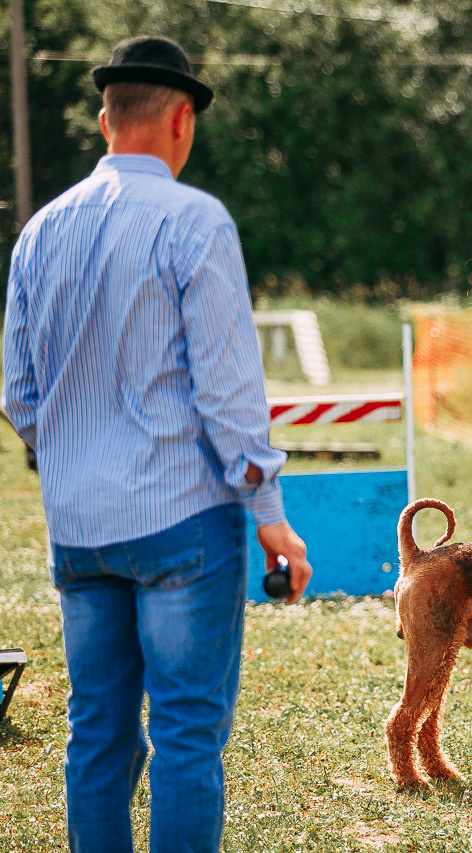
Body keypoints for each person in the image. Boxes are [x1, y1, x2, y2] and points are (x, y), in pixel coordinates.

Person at [2, 36, 311, 852]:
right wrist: (269, 511)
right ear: (182, 120)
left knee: (96, 735)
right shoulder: (195, 220)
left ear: (106, 120)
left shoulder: (40, 230)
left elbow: (18, 395)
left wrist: (70, 452)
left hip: (80, 528)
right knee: (185, 738)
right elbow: (227, 390)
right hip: (183, 523)